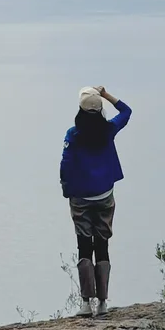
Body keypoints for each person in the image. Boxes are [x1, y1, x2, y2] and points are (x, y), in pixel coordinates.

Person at [60, 86, 132, 317]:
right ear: (100, 109)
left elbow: (66, 164)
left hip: (80, 197)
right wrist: (106, 95)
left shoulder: (74, 135)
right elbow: (126, 111)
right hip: (104, 196)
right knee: (102, 245)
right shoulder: (108, 130)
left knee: (84, 246)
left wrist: (67, 190)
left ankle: (85, 304)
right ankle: (102, 303)